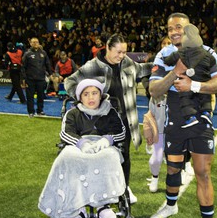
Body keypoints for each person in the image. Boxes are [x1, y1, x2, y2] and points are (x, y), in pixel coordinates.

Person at [148, 12, 217, 218]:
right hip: (174, 120)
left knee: (203, 171)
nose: (174, 32)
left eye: (179, 27)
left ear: (189, 28)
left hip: (201, 120)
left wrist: (194, 85)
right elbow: (154, 89)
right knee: (173, 167)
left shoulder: (207, 52)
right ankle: (171, 205)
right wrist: (175, 72)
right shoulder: (164, 55)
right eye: (170, 28)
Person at [65, 34, 153, 203]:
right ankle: (102, 190)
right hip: (101, 123)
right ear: (107, 47)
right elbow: (70, 82)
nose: (121, 56)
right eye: (118, 52)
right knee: (103, 158)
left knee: (124, 156)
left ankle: (124, 188)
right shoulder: (93, 66)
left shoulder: (127, 63)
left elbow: (143, 69)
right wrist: (84, 97)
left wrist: (163, 64)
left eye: (124, 52)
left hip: (125, 120)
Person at [38, 79, 126, 218]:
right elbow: (66, 133)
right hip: (78, 145)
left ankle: (103, 206)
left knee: (110, 156)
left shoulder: (110, 112)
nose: (91, 98)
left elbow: (121, 132)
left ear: (101, 95)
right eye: (86, 94)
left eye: (94, 93)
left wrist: (107, 140)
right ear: (80, 97)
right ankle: (74, 208)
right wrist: (81, 143)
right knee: (66, 157)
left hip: (103, 145)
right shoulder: (73, 113)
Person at [163, 23, 215, 128]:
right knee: (205, 96)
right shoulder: (206, 53)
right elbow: (212, 62)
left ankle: (190, 117)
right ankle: (207, 112)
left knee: (184, 99)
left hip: (186, 82)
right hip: (201, 83)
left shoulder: (181, 51)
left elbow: (168, 60)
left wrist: (165, 60)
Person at [21, 37, 52, 118]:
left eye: (37, 42)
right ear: (30, 43)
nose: (35, 44)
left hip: (41, 78)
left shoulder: (43, 53)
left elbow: (48, 64)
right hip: (30, 79)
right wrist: (24, 79)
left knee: (41, 96)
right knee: (30, 96)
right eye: (33, 42)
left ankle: (40, 111)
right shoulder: (27, 54)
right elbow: (23, 67)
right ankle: (31, 112)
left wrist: (50, 74)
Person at [143, 95, 167, 193]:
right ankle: (155, 177)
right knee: (155, 160)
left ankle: (181, 172)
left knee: (175, 160)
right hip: (160, 132)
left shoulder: (177, 95)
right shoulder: (155, 97)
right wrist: (148, 133)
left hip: (175, 133)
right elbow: (149, 116)